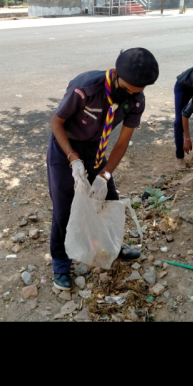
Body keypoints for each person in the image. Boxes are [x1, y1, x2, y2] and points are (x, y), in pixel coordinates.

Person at [48, 48, 159, 290]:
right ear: (117, 74)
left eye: (137, 91)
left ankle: (112, 247)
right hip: (65, 146)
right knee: (64, 208)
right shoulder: (85, 88)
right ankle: (61, 264)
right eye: (128, 89)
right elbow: (56, 123)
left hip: (96, 149)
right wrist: (72, 159)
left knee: (109, 200)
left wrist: (104, 175)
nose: (132, 95)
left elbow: (121, 143)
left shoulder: (136, 99)